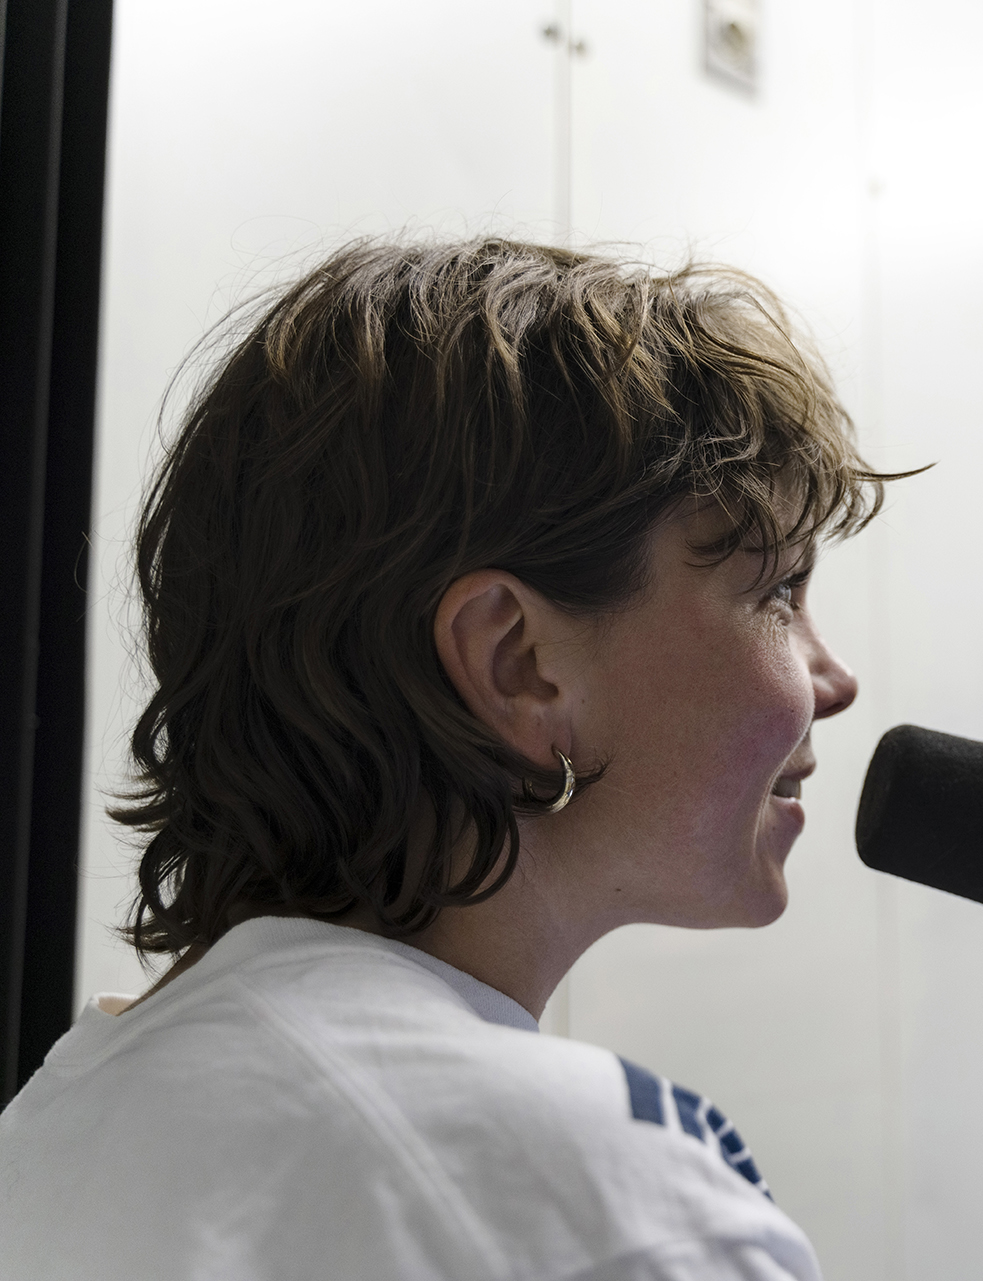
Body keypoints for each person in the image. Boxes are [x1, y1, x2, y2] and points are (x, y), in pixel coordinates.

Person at [0, 238, 897, 1279]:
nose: (833, 679)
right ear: (517, 662)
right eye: (777, 590)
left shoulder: (54, 1129)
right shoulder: (594, 1203)